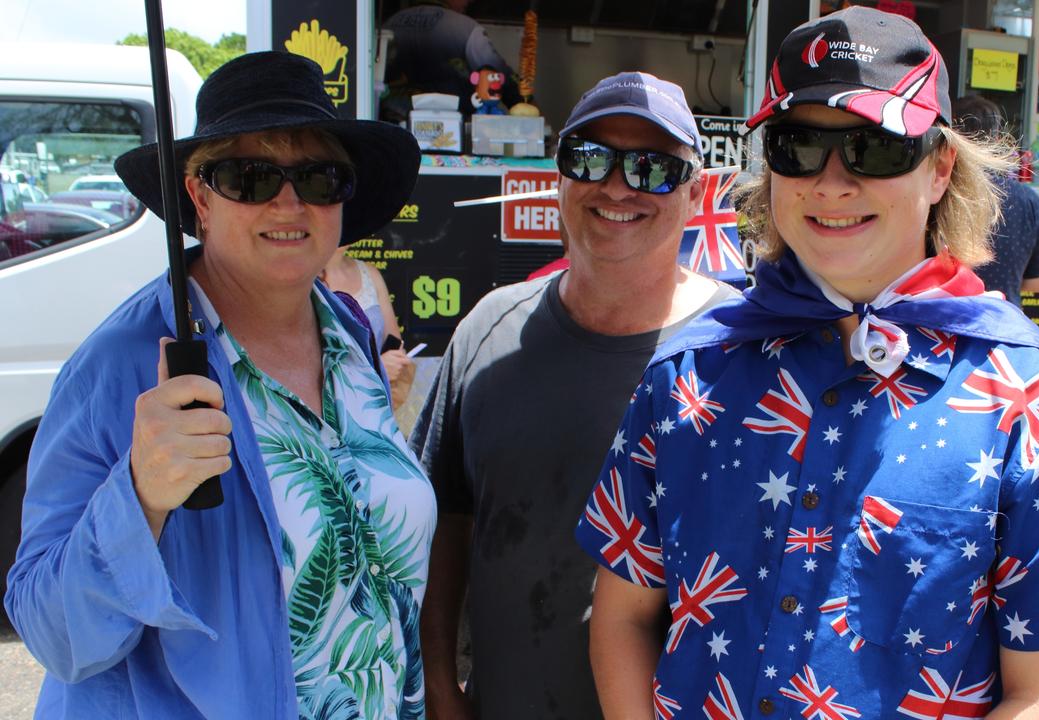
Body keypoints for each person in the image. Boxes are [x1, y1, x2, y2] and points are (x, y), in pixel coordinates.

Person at [575, 8, 1039, 719]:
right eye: (797, 146)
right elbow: (624, 615)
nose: (831, 181)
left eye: (874, 148)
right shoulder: (685, 377)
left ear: (941, 167)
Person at [4, 52, 436, 718]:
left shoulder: (349, 330)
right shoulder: (120, 365)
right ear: (200, 197)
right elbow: (53, 634)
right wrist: (141, 497)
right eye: (249, 176)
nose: (289, 202)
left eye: (319, 177)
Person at [409, 72, 738, 719]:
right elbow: (445, 525)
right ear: (558, 170)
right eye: (589, 158)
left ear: (694, 190)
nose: (617, 186)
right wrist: (442, 686)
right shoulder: (486, 331)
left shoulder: (747, 354)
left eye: (652, 168)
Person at [952, 95, 1039, 308]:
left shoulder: (939, 190)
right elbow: (1037, 282)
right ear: (998, 139)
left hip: (944, 323)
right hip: (1004, 324)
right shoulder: (1028, 199)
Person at [382, 0, 518, 117]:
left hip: (395, 124)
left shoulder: (390, 24)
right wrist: (525, 103)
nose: (469, 1)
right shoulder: (465, 28)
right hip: (451, 131)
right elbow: (497, 74)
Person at [321, 247, 417, 410]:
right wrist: (377, 370)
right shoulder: (299, 278)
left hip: (375, 411)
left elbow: (394, 342)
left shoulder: (370, 273)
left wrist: (396, 361)